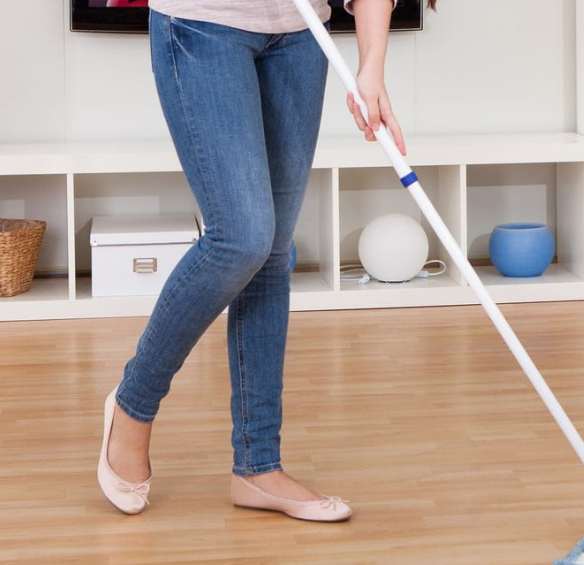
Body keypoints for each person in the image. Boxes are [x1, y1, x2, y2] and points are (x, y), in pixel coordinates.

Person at [97, 0, 424, 522]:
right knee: (242, 238)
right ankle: (132, 406)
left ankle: (257, 466)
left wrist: (371, 65)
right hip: (201, 26)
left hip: (300, 35)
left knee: (272, 254)